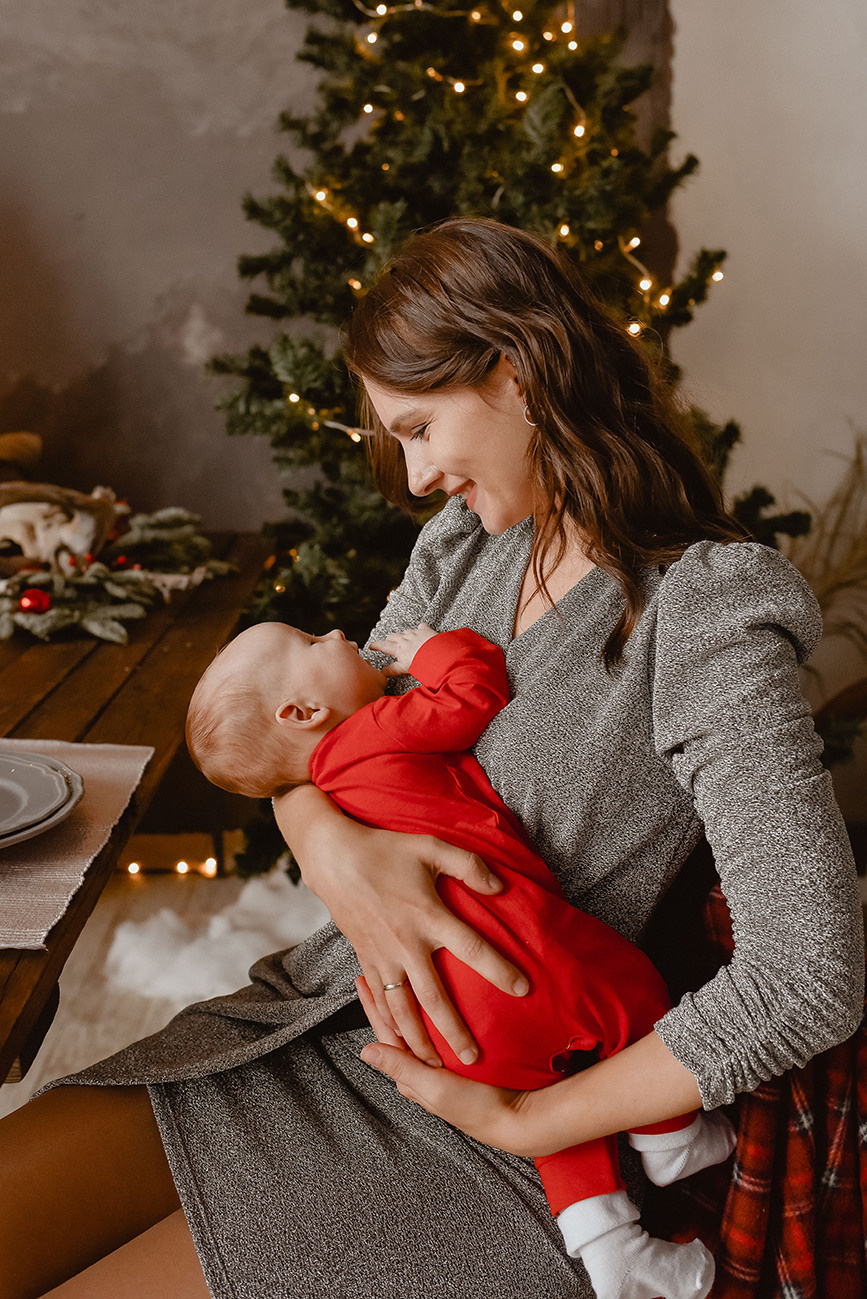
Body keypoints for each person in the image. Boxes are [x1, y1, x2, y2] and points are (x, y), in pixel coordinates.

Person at [0, 217, 861, 1299]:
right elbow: (306, 734)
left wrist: (527, 1117)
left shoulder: (704, 609)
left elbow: (809, 974)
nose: (411, 478)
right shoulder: (466, 545)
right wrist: (334, 857)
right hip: (318, 1022)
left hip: (509, 1129)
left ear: (518, 371)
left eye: (418, 426)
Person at [185, 616, 739, 1298]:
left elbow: (287, 787)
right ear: (302, 712)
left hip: (445, 1013)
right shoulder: (375, 729)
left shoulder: (328, 784)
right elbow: (473, 693)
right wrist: (432, 650)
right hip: (517, 947)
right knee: (627, 987)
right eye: (309, 643)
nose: (333, 631)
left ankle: (610, 1249)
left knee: (550, 1105)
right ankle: (671, 1135)